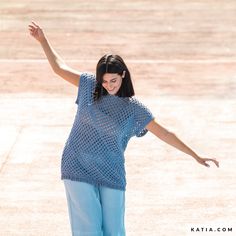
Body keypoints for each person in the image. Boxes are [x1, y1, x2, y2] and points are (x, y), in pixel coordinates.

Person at [28, 21, 219, 236]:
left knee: (114, 231)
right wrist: (43, 40)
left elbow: (164, 133)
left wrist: (195, 155)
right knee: (88, 230)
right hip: (77, 165)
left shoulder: (133, 109)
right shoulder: (89, 85)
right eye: (105, 81)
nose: (108, 85)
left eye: (113, 80)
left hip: (111, 170)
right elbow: (59, 68)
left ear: (123, 76)